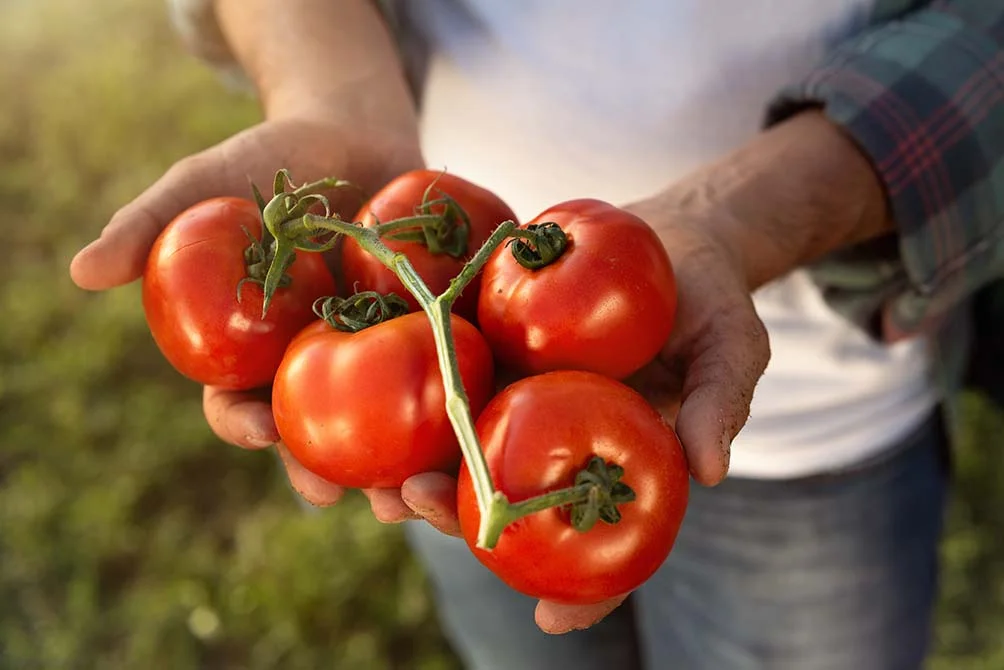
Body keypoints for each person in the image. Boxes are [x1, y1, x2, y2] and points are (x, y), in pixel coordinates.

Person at [69, 1, 1004, 667]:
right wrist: (333, 95)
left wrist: (737, 218)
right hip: (462, 447)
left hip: (816, 422)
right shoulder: (432, 338)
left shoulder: (407, 318)